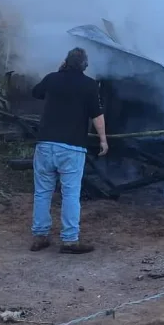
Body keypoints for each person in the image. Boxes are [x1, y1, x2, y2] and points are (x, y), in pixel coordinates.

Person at [29, 47, 109, 254]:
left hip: (46, 144)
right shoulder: (90, 85)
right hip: (72, 148)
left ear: (65, 61)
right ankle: (70, 240)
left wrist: (58, 73)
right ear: (85, 65)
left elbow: (36, 92)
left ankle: (40, 236)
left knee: (42, 192)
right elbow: (97, 115)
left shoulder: (52, 79)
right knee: (71, 194)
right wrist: (103, 140)